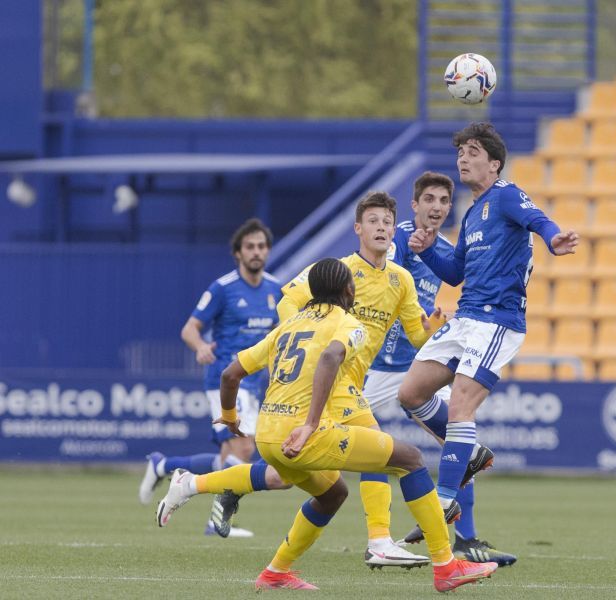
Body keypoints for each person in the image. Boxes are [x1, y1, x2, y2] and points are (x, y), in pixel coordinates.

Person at [155, 258, 497, 593]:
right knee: (409, 459)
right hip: (304, 432)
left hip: (269, 433)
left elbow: (231, 373)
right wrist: (310, 424)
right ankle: (445, 566)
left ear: (312, 291)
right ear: (350, 290)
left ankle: (273, 569)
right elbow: (331, 357)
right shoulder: (349, 324)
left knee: (332, 493)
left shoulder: (287, 326)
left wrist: (229, 416)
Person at [177, 192, 454, 568]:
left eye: (388, 223)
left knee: (297, 478)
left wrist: (432, 330)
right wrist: (310, 331)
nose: (381, 228)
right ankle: (383, 542)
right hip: (328, 381)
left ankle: (197, 485)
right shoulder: (335, 272)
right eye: (373, 221)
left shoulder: (400, 279)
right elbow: (286, 302)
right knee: (388, 454)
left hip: (352, 381)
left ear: (395, 231)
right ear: (358, 228)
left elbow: (415, 335)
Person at [397, 122, 579, 531]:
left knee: (461, 403)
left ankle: (444, 501)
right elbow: (456, 272)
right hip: (466, 318)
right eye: (461, 151)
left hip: (498, 319)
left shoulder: (506, 195)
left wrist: (553, 241)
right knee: (410, 393)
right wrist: (427, 252)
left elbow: (539, 220)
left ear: (494, 164)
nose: (463, 158)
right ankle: (471, 451)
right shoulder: (470, 212)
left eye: (473, 152)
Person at [366, 171, 517, 566]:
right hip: (378, 366)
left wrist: (429, 330)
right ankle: (248, 480)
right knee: (353, 444)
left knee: (459, 437)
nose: (436, 207)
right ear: (414, 205)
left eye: (443, 202)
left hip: (419, 361)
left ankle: (465, 539)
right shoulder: (396, 238)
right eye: (428, 200)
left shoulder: (447, 250)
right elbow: (387, 284)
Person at [138, 218, 283, 538]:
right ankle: (216, 521)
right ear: (238, 253)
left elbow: (278, 335)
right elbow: (189, 329)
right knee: (243, 451)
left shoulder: (276, 289)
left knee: (228, 457)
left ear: (268, 250)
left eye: (261, 246)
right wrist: (201, 346)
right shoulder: (223, 288)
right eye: (250, 247)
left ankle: (164, 466)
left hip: (255, 381)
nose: (256, 252)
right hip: (225, 379)